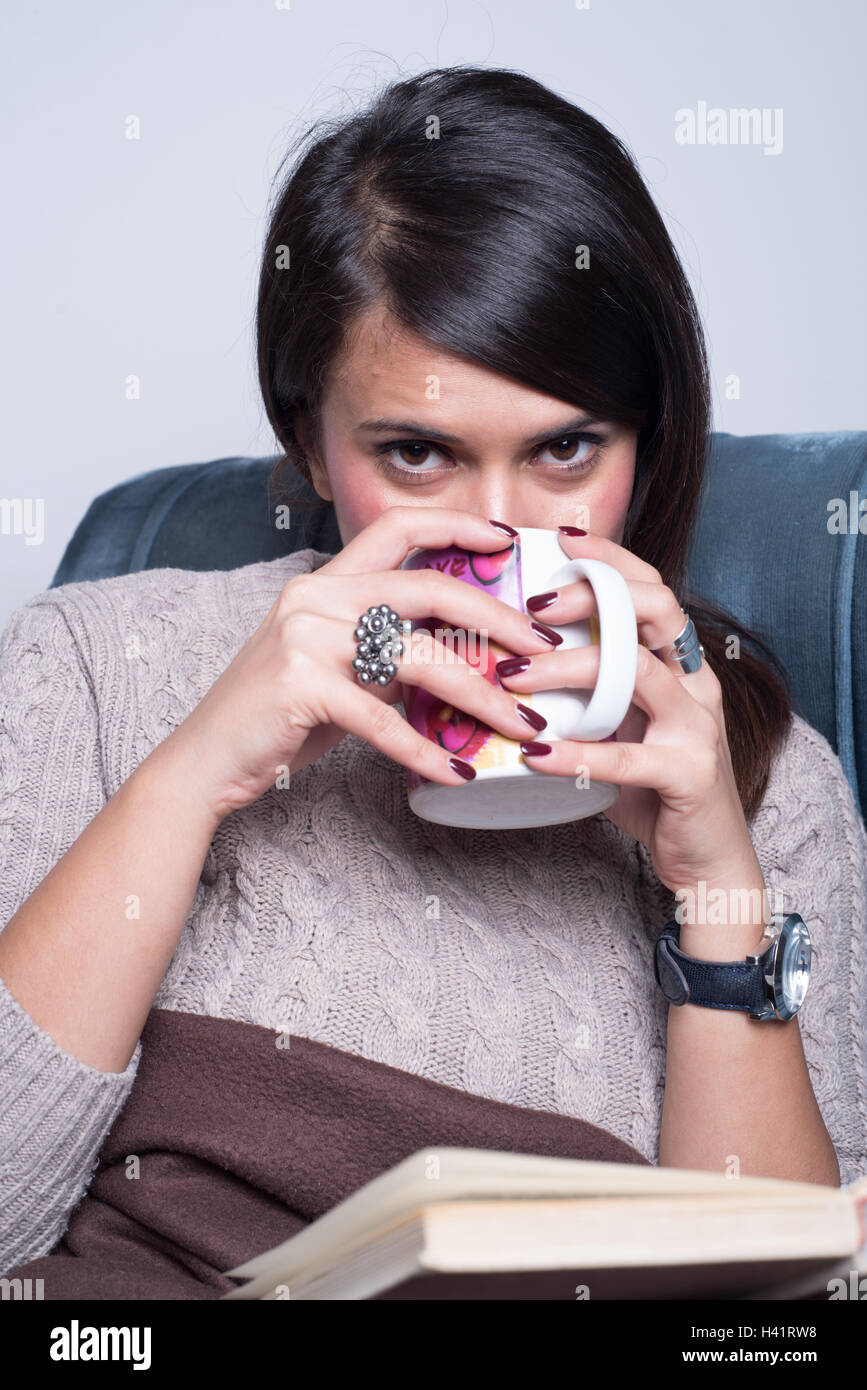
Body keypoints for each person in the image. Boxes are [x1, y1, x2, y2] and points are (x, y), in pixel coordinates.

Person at [1, 65, 865, 1283]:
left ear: (652, 438)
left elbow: (768, 1320)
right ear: (307, 437)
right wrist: (190, 775)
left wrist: (717, 886)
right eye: (417, 453)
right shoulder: (90, 666)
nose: (496, 532)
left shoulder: (768, 790)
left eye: (567, 449)